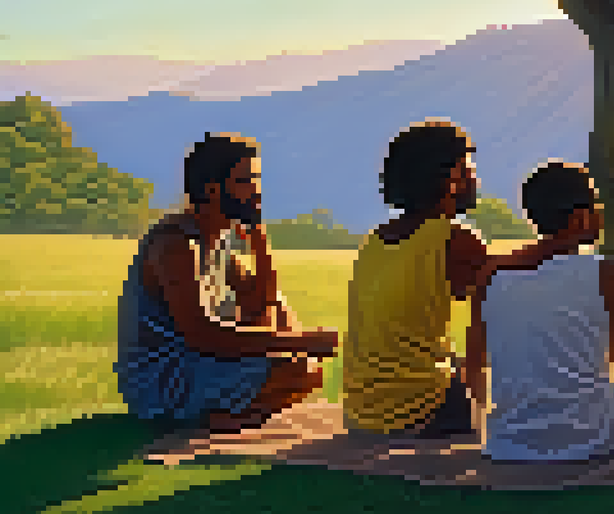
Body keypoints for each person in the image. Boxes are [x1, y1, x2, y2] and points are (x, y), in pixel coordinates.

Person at [342, 119, 558, 437]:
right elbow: (510, 297)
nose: (476, 180)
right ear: (452, 178)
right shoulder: (452, 237)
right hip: (415, 409)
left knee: (454, 360)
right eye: (469, 169)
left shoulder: (375, 240)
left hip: (360, 412)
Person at [115, 133, 339, 433]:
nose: (256, 191)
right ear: (211, 188)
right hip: (164, 380)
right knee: (298, 368)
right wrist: (302, 342)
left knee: (302, 358)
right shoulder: (176, 245)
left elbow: (264, 300)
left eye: (256, 179)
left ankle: (236, 411)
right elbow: (203, 336)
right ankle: (222, 416)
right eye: (246, 181)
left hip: (200, 363)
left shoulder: (219, 242)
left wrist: (258, 237)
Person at [477, 160, 614, 463]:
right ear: (580, 218)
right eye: (596, 205)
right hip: (596, 437)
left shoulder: (493, 278)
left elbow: (476, 366)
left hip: (508, 441)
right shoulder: (613, 277)